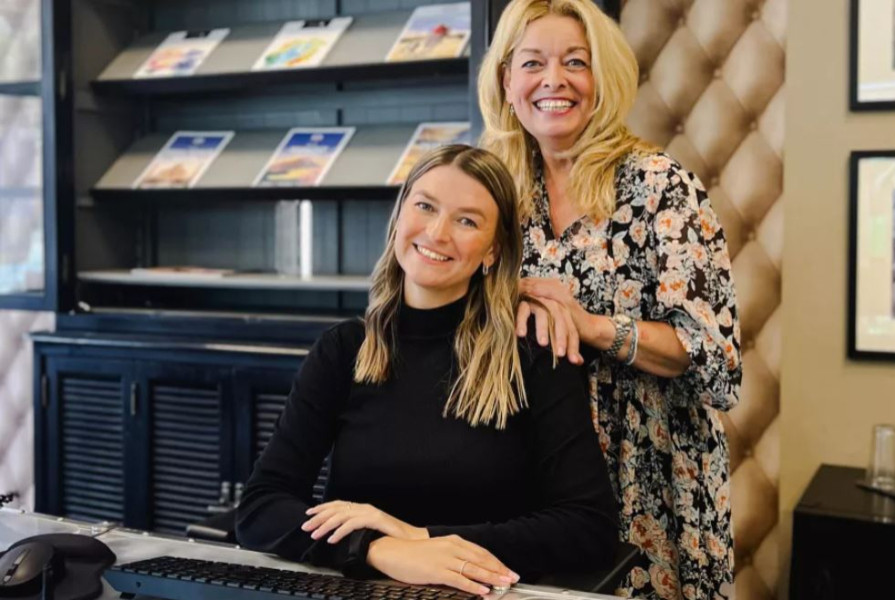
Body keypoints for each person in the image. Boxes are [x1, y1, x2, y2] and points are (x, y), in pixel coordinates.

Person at [236, 144, 619, 597]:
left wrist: (420, 537)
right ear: (400, 215)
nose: (437, 233)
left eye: (466, 220)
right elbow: (261, 507)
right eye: (425, 206)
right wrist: (376, 549)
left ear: (492, 251)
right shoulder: (344, 350)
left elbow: (588, 526)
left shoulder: (532, 354)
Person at [477, 1, 743, 598]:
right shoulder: (494, 189)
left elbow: (714, 360)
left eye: (577, 62)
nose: (554, 80)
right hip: (527, 475)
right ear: (505, 80)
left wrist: (589, 326)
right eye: (532, 63)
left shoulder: (659, 185)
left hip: (648, 474)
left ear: (605, 77)